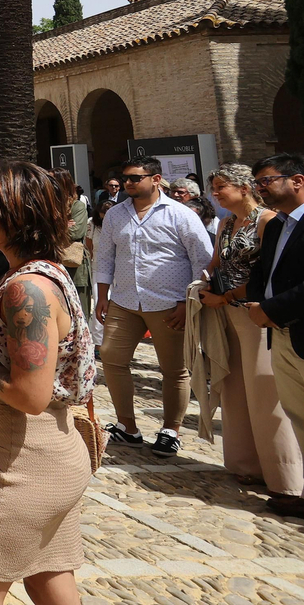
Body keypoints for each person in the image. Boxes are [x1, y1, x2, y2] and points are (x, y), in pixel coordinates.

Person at [0, 160, 96, 605]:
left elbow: (30, 396)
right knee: (47, 577)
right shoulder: (44, 272)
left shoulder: (25, 288)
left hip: (24, 455)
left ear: (15, 213)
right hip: (45, 446)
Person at [192, 163, 300, 505]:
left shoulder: (267, 221)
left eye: (221, 187)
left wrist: (227, 296)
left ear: (243, 188)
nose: (216, 194)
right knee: (235, 388)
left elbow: (265, 272)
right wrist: (207, 285)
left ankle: (285, 477)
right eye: (213, 188)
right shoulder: (225, 223)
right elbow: (217, 264)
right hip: (225, 313)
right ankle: (245, 463)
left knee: (265, 393)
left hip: (255, 314)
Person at [94, 156, 214, 456]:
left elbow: (203, 259)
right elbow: (105, 257)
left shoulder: (180, 214)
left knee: (174, 369)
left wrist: (188, 303)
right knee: (111, 357)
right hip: (124, 301)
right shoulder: (116, 214)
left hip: (168, 303)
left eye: (135, 178)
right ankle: (128, 427)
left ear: (156, 179)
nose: (128, 183)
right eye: (125, 178)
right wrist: (102, 295)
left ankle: (170, 430)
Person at [240, 153, 304, 517]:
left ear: (297, 180)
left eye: (266, 180)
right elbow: (266, 272)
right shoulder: (278, 225)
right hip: (280, 335)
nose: (259, 188)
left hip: (291, 325)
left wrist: (271, 309)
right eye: (257, 182)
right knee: (298, 414)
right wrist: (254, 303)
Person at [53, 169, 91, 318]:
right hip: (53, 264)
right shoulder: (46, 206)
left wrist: (51, 228)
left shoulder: (77, 206)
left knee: (79, 313)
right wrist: (62, 225)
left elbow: (75, 232)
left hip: (74, 266)